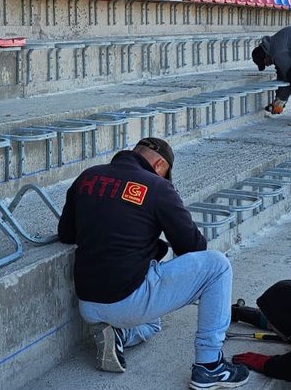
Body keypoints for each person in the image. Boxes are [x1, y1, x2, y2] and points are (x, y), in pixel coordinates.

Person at [59, 137, 250, 389]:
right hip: (127, 300)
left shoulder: (88, 177)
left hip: (88, 303)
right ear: (160, 165)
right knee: (217, 265)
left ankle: (119, 335)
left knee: (152, 323)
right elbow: (193, 249)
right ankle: (209, 365)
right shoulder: (158, 187)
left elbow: (66, 234)